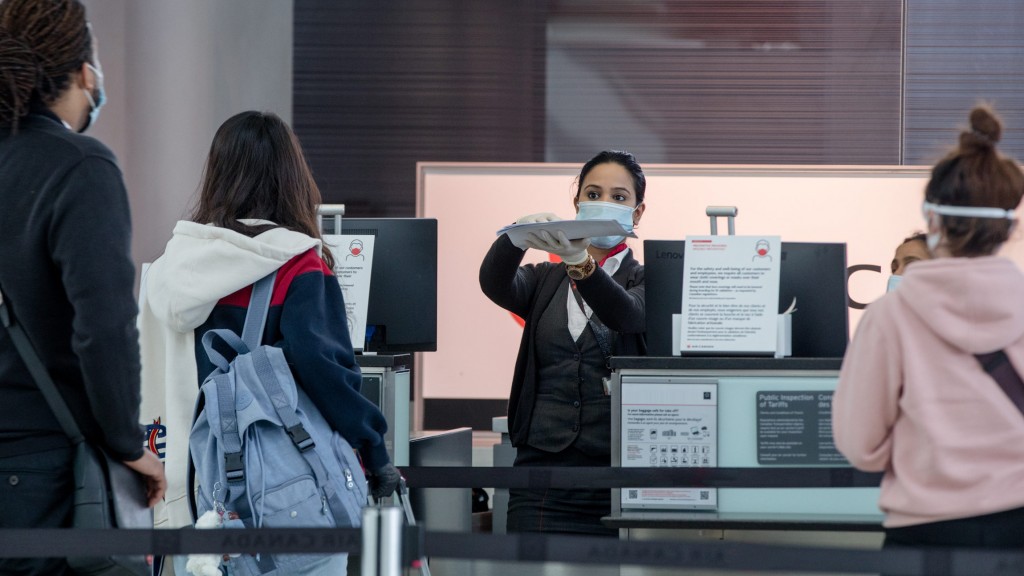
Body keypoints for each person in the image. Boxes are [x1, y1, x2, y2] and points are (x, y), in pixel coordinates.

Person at [138, 111, 400, 571]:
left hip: (185, 490)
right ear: (291, 178)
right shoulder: (298, 265)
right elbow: (326, 372)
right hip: (276, 496)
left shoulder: (169, 268)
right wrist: (375, 449)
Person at [0, 1, 166, 573]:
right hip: (41, 472)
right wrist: (126, 442)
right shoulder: (79, 168)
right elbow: (103, 329)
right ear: (81, 71)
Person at [833, 105, 1024, 548]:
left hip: (924, 534)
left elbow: (861, 446)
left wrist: (919, 454)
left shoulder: (889, 316)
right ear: (1008, 227)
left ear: (932, 219)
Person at [479, 149, 647, 535]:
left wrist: (580, 262)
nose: (604, 203)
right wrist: (515, 236)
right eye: (592, 194)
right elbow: (495, 283)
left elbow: (626, 315)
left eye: (619, 197)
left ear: (637, 212)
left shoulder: (644, 280)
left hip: (616, 473)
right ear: (576, 203)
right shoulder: (544, 279)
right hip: (541, 474)